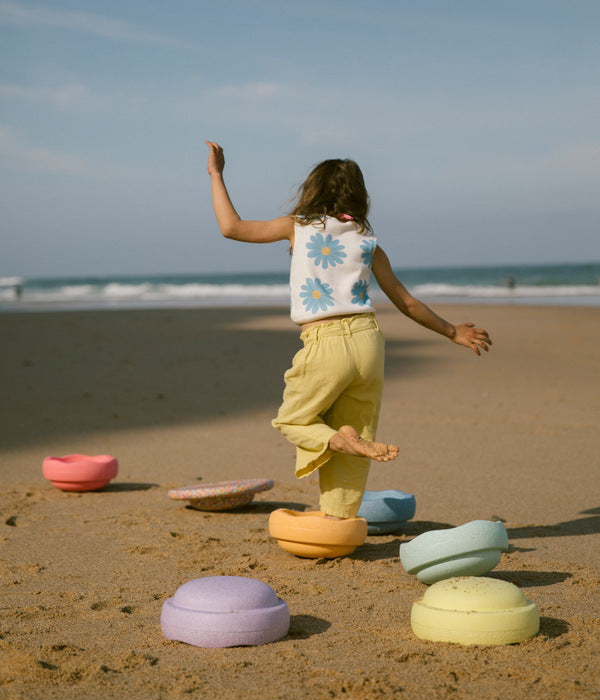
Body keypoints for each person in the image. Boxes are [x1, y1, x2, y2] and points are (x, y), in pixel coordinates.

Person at [205, 141, 492, 520]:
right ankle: (338, 520)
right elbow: (406, 303)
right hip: (369, 342)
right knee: (358, 438)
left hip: (326, 343)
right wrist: (453, 331)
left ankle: (336, 439)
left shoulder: (298, 227)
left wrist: (216, 174)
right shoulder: (369, 244)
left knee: (295, 419)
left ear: (313, 191)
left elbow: (232, 228)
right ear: (358, 197)